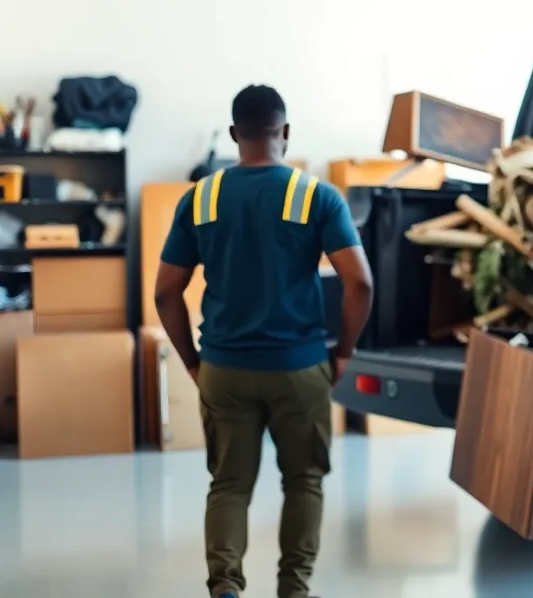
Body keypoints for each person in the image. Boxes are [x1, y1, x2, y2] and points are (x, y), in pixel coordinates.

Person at [155, 84, 374, 598]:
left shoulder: (201, 197)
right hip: (299, 367)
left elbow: (166, 292)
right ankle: (293, 589)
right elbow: (359, 282)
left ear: (234, 135)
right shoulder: (316, 196)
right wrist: (342, 351)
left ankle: (226, 589)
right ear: (286, 132)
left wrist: (192, 361)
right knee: (303, 482)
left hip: (225, 368)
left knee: (228, 485)